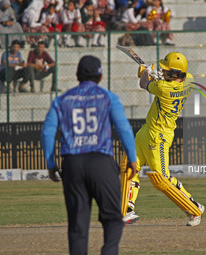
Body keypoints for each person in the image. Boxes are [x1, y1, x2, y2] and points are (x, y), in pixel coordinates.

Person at [41, 55, 137, 255]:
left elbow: (48, 131)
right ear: (100, 76)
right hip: (101, 161)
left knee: (77, 224)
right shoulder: (108, 97)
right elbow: (124, 129)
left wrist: (51, 163)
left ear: (77, 75)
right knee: (112, 218)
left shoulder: (62, 100)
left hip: (73, 164)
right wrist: (132, 157)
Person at [122, 52, 205, 226]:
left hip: (159, 136)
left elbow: (143, 83)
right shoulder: (188, 80)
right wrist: (158, 75)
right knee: (128, 166)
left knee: (161, 179)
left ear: (175, 74)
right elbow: (168, 80)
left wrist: (147, 73)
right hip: (147, 130)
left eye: (166, 70)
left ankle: (194, 209)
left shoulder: (163, 89)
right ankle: (126, 211)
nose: (163, 71)